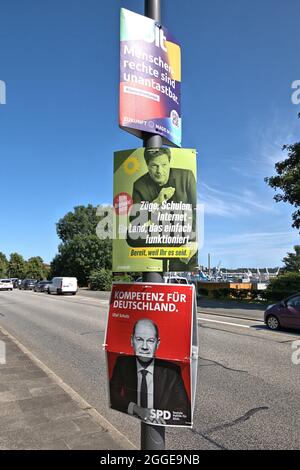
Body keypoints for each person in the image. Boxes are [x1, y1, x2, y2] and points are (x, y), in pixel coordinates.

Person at [109, 318, 191, 426]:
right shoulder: (122, 363)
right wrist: (136, 409)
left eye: (150, 341)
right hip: (133, 424)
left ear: (158, 343)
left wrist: (159, 418)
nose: (144, 347)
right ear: (131, 340)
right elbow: (112, 395)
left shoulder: (171, 371)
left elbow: (184, 410)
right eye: (139, 339)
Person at [128, 147, 197, 271]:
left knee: (187, 252)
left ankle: (181, 247)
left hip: (181, 230)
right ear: (147, 165)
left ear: (169, 162)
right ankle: (177, 248)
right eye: (154, 166)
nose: (159, 171)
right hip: (159, 233)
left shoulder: (186, 176)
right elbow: (135, 222)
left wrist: (193, 240)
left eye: (164, 165)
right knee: (130, 235)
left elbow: (195, 208)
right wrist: (157, 202)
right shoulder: (139, 185)